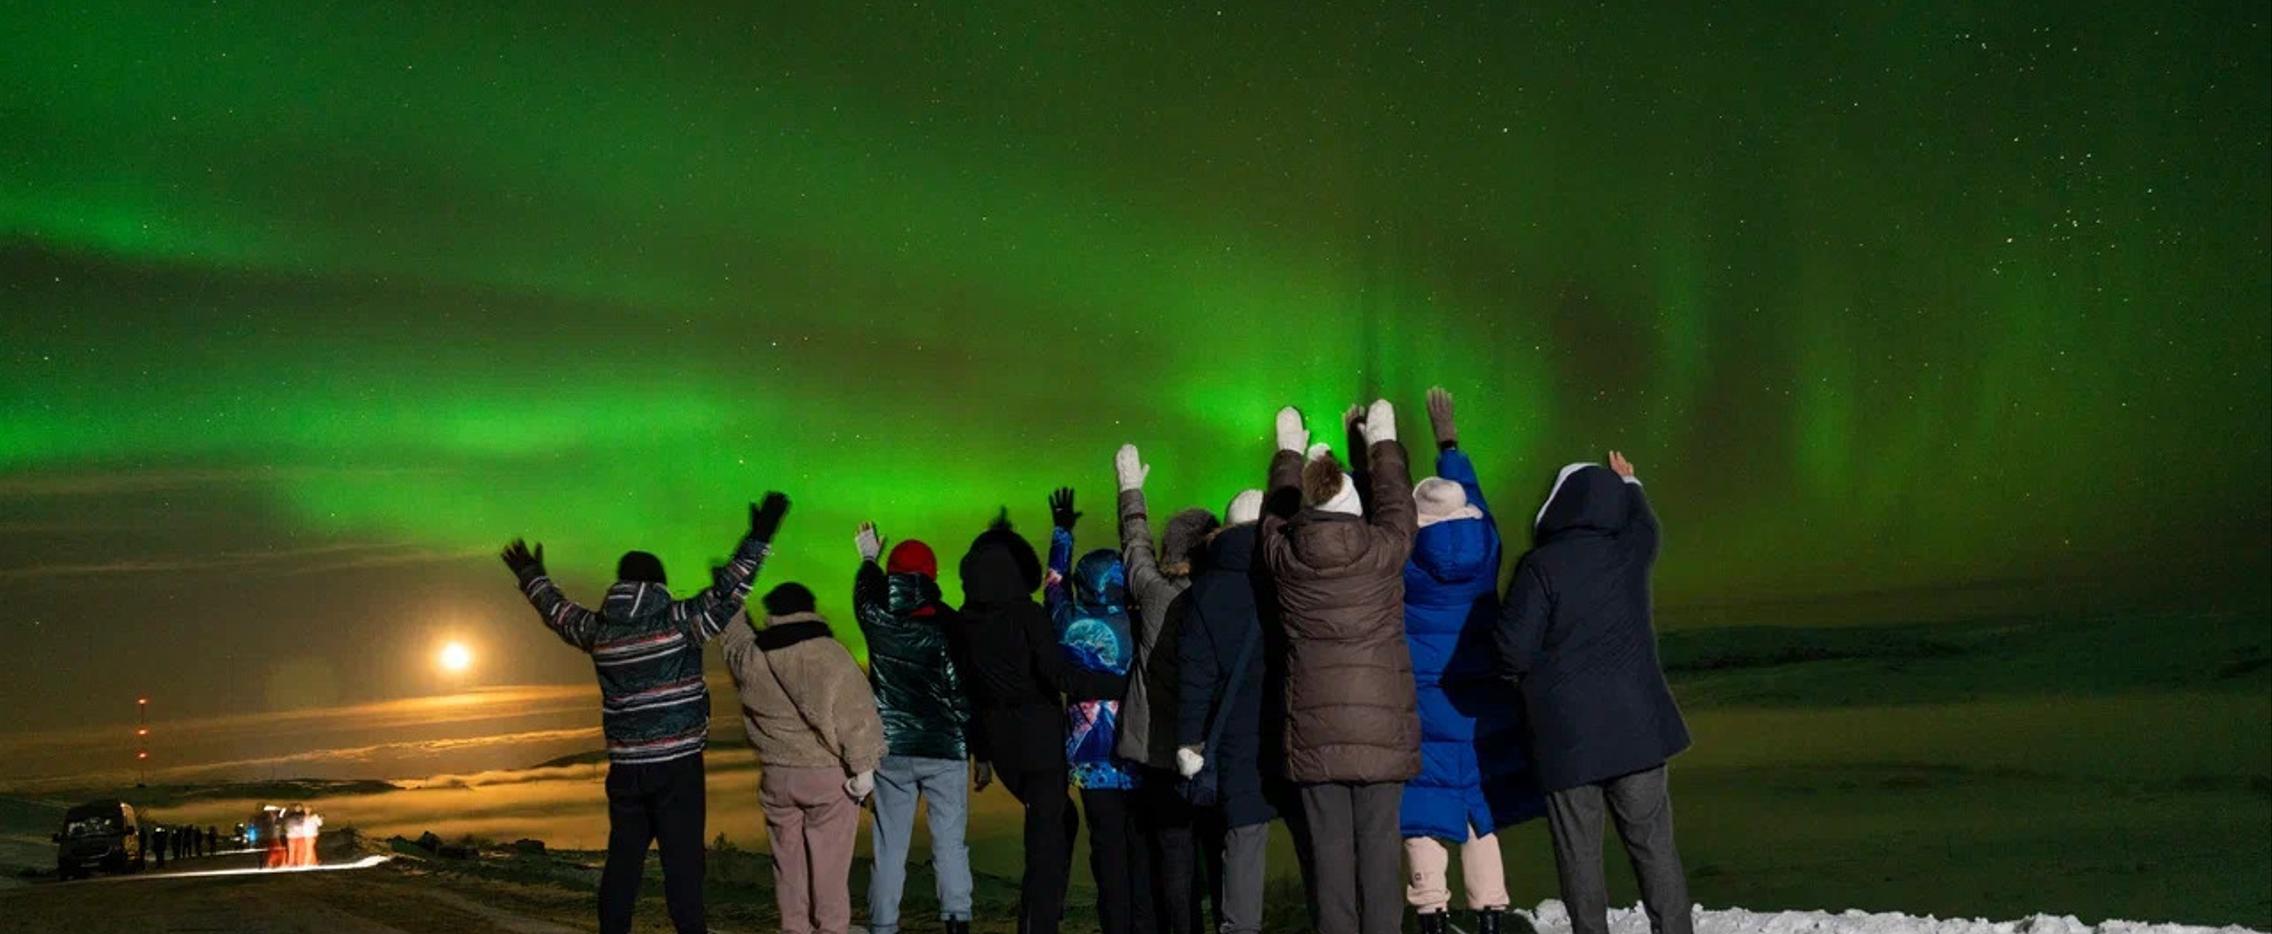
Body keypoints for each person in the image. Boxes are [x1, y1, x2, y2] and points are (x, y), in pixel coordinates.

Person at [499, 492, 788, 934]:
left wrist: (531, 575)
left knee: (624, 864)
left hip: (626, 769)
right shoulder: (678, 622)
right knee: (684, 867)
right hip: (677, 768)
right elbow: (730, 589)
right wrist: (760, 535)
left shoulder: (599, 630)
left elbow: (557, 612)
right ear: (658, 585)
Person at [1495, 452, 1693, 934]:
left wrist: (1531, 685)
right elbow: (1647, 527)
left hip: (1567, 738)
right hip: (1639, 731)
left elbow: (1511, 651)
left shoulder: (1540, 567)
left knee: (1579, 855)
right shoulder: (1628, 553)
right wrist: (1631, 483)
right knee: (1655, 847)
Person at [1259, 402, 1420, 934]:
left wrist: (1288, 451)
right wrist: (1380, 441)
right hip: (1380, 728)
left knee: (1328, 862)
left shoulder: (1287, 557)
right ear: (1355, 505)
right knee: (1379, 858)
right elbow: (1397, 501)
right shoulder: (1382, 551)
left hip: (1316, 731)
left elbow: (1273, 519)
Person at [1399, 388, 1545, 934]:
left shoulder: (1406, 558)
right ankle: (1489, 912)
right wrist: (1449, 441)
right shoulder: (1487, 542)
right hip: (1480, 700)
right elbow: (1475, 492)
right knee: (1478, 807)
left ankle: (1432, 914)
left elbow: (1380, 517)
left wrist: (1368, 445)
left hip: (1424, 699)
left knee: (1423, 807)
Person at [957, 508, 1129, 934]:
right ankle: (1039, 924)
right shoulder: (1027, 615)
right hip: (1040, 739)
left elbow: (968, 694)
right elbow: (1059, 675)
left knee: (1054, 826)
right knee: (1047, 841)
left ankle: (1038, 919)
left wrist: (979, 751)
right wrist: (1121, 687)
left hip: (1001, 744)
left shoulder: (965, 624)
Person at [721, 582, 887, 934]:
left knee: (787, 860)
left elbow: (733, 637)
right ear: (810, 608)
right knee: (829, 861)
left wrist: (732, 598)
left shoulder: (752, 656)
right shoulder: (829, 654)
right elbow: (858, 716)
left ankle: (794, 926)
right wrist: (863, 770)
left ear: (773, 614)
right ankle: (830, 928)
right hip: (826, 777)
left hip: (776, 775)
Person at [853, 525, 980, 934]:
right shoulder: (950, 623)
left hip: (893, 749)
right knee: (950, 844)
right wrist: (971, 738)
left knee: (889, 846)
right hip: (945, 750)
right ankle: (957, 921)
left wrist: (869, 560)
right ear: (933, 574)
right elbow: (963, 691)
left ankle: (884, 925)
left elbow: (863, 598)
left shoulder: (877, 619)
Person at [1112, 444, 1216, 934]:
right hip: (1211, 747)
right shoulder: (1219, 599)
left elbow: (1135, 548)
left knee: (1173, 860)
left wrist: (1131, 491)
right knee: (1219, 853)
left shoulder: (1152, 592)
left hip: (1157, 749)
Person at [1042, 487, 1154, 934]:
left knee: (1106, 851)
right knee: (1140, 848)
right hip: (1139, 750)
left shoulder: (1067, 625)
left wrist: (1062, 532)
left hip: (1091, 762)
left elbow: (1053, 584)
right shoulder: (1140, 622)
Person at [1173, 488, 1278, 934]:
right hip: (1298, 722)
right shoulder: (1294, 571)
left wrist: (1189, 738)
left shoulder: (1205, 591)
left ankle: (1240, 927)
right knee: (1323, 832)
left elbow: (1195, 675)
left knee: (1244, 834)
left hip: (1235, 732)